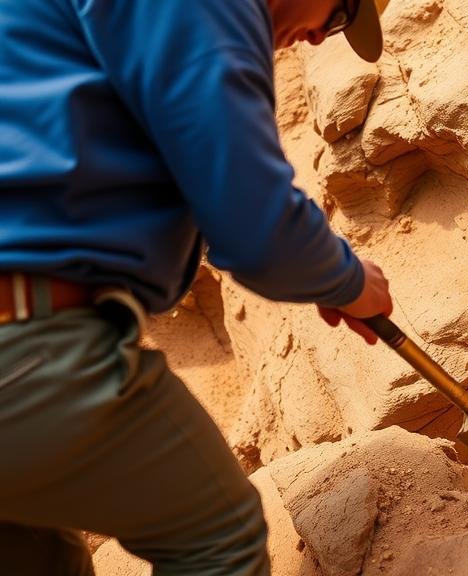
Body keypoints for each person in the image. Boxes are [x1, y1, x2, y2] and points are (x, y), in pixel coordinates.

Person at [0, 1, 392, 574]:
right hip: (26, 346)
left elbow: (197, 187)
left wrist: (321, 277)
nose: (315, 39)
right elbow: (255, 225)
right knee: (219, 539)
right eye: (336, 17)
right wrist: (352, 283)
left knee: (41, 561)